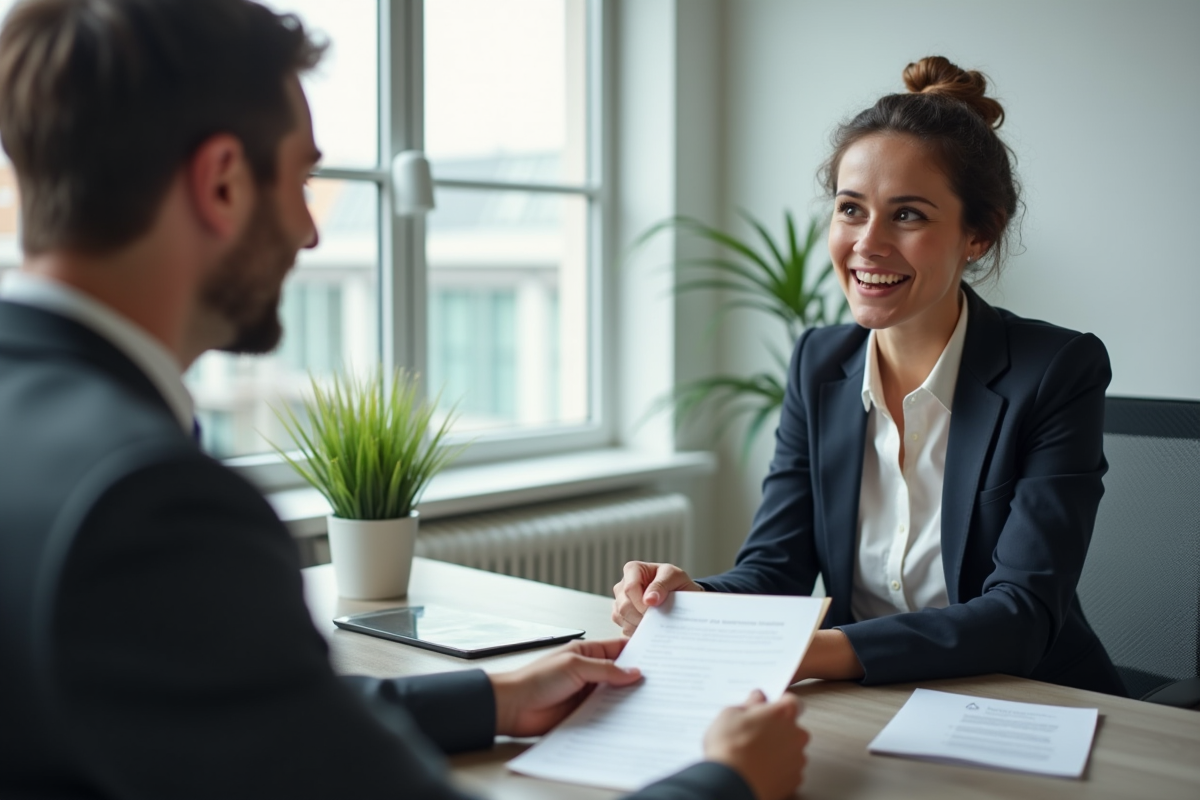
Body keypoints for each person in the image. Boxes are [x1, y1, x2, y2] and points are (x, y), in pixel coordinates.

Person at [0, 1, 809, 798]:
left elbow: (220, 709)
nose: (310, 233)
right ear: (221, 183)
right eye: (303, 179)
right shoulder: (151, 502)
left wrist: (490, 697)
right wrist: (727, 781)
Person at [613, 56, 1125, 697]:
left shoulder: (1054, 371)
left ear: (978, 236)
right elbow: (776, 569)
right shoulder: (819, 365)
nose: (868, 243)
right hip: (870, 699)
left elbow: (1020, 617)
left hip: (1026, 700)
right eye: (850, 209)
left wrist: (805, 649)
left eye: (907, 215)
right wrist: (691, 599)